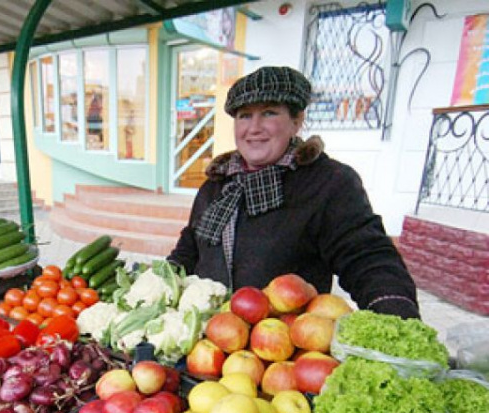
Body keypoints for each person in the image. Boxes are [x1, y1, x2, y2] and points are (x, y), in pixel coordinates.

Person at [168, 66, 420, 319]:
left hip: (286, 346)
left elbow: (366, 256)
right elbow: (189, 249)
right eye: (244, 116)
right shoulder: (217, 185)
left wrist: (395, 312)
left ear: (296, 122)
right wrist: (156, 283)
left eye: (269, 113)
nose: (254, 128)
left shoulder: (328, 183)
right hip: (208, 337)